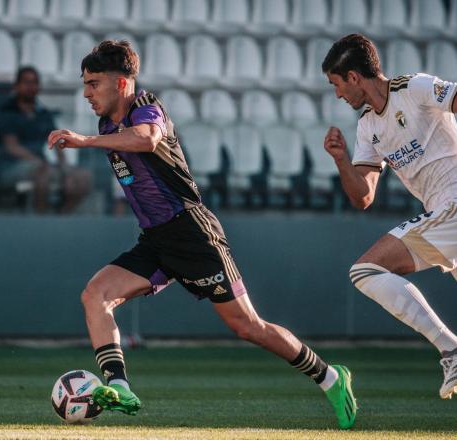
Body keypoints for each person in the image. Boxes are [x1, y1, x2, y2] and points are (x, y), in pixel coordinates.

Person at [47, 40, 357, 429]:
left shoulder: (146, 105)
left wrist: (85, 141)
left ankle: (330, 376)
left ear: (122, 84)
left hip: (193, 233)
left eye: (94, 83)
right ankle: (120, 387)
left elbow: (147, 140)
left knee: (247, 326)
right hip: (156, 240)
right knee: (96, 295)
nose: (86, 92)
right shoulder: (107, 124)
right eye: (85, 84)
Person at [321, 34, 457, 399]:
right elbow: (364, 196)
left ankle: (452, 349)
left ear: (353, 77)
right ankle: (454, 348)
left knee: (364, 271)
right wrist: (340, 160)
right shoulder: (368, 125)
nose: (337, 94)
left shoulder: (414, 88)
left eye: (336, 84)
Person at [0, 66, 91, 214]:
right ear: (17, 86)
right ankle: (41, 221)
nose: (30, 86)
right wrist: (39, 162)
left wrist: (65, 168)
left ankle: (61, 219)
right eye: (26, 82)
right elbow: (11, 146)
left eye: (34, 82)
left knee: (83, 176)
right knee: (43, 172)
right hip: (11, 166)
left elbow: (58, 142)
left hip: (40, 165)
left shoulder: (43, 113)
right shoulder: (7, 111)